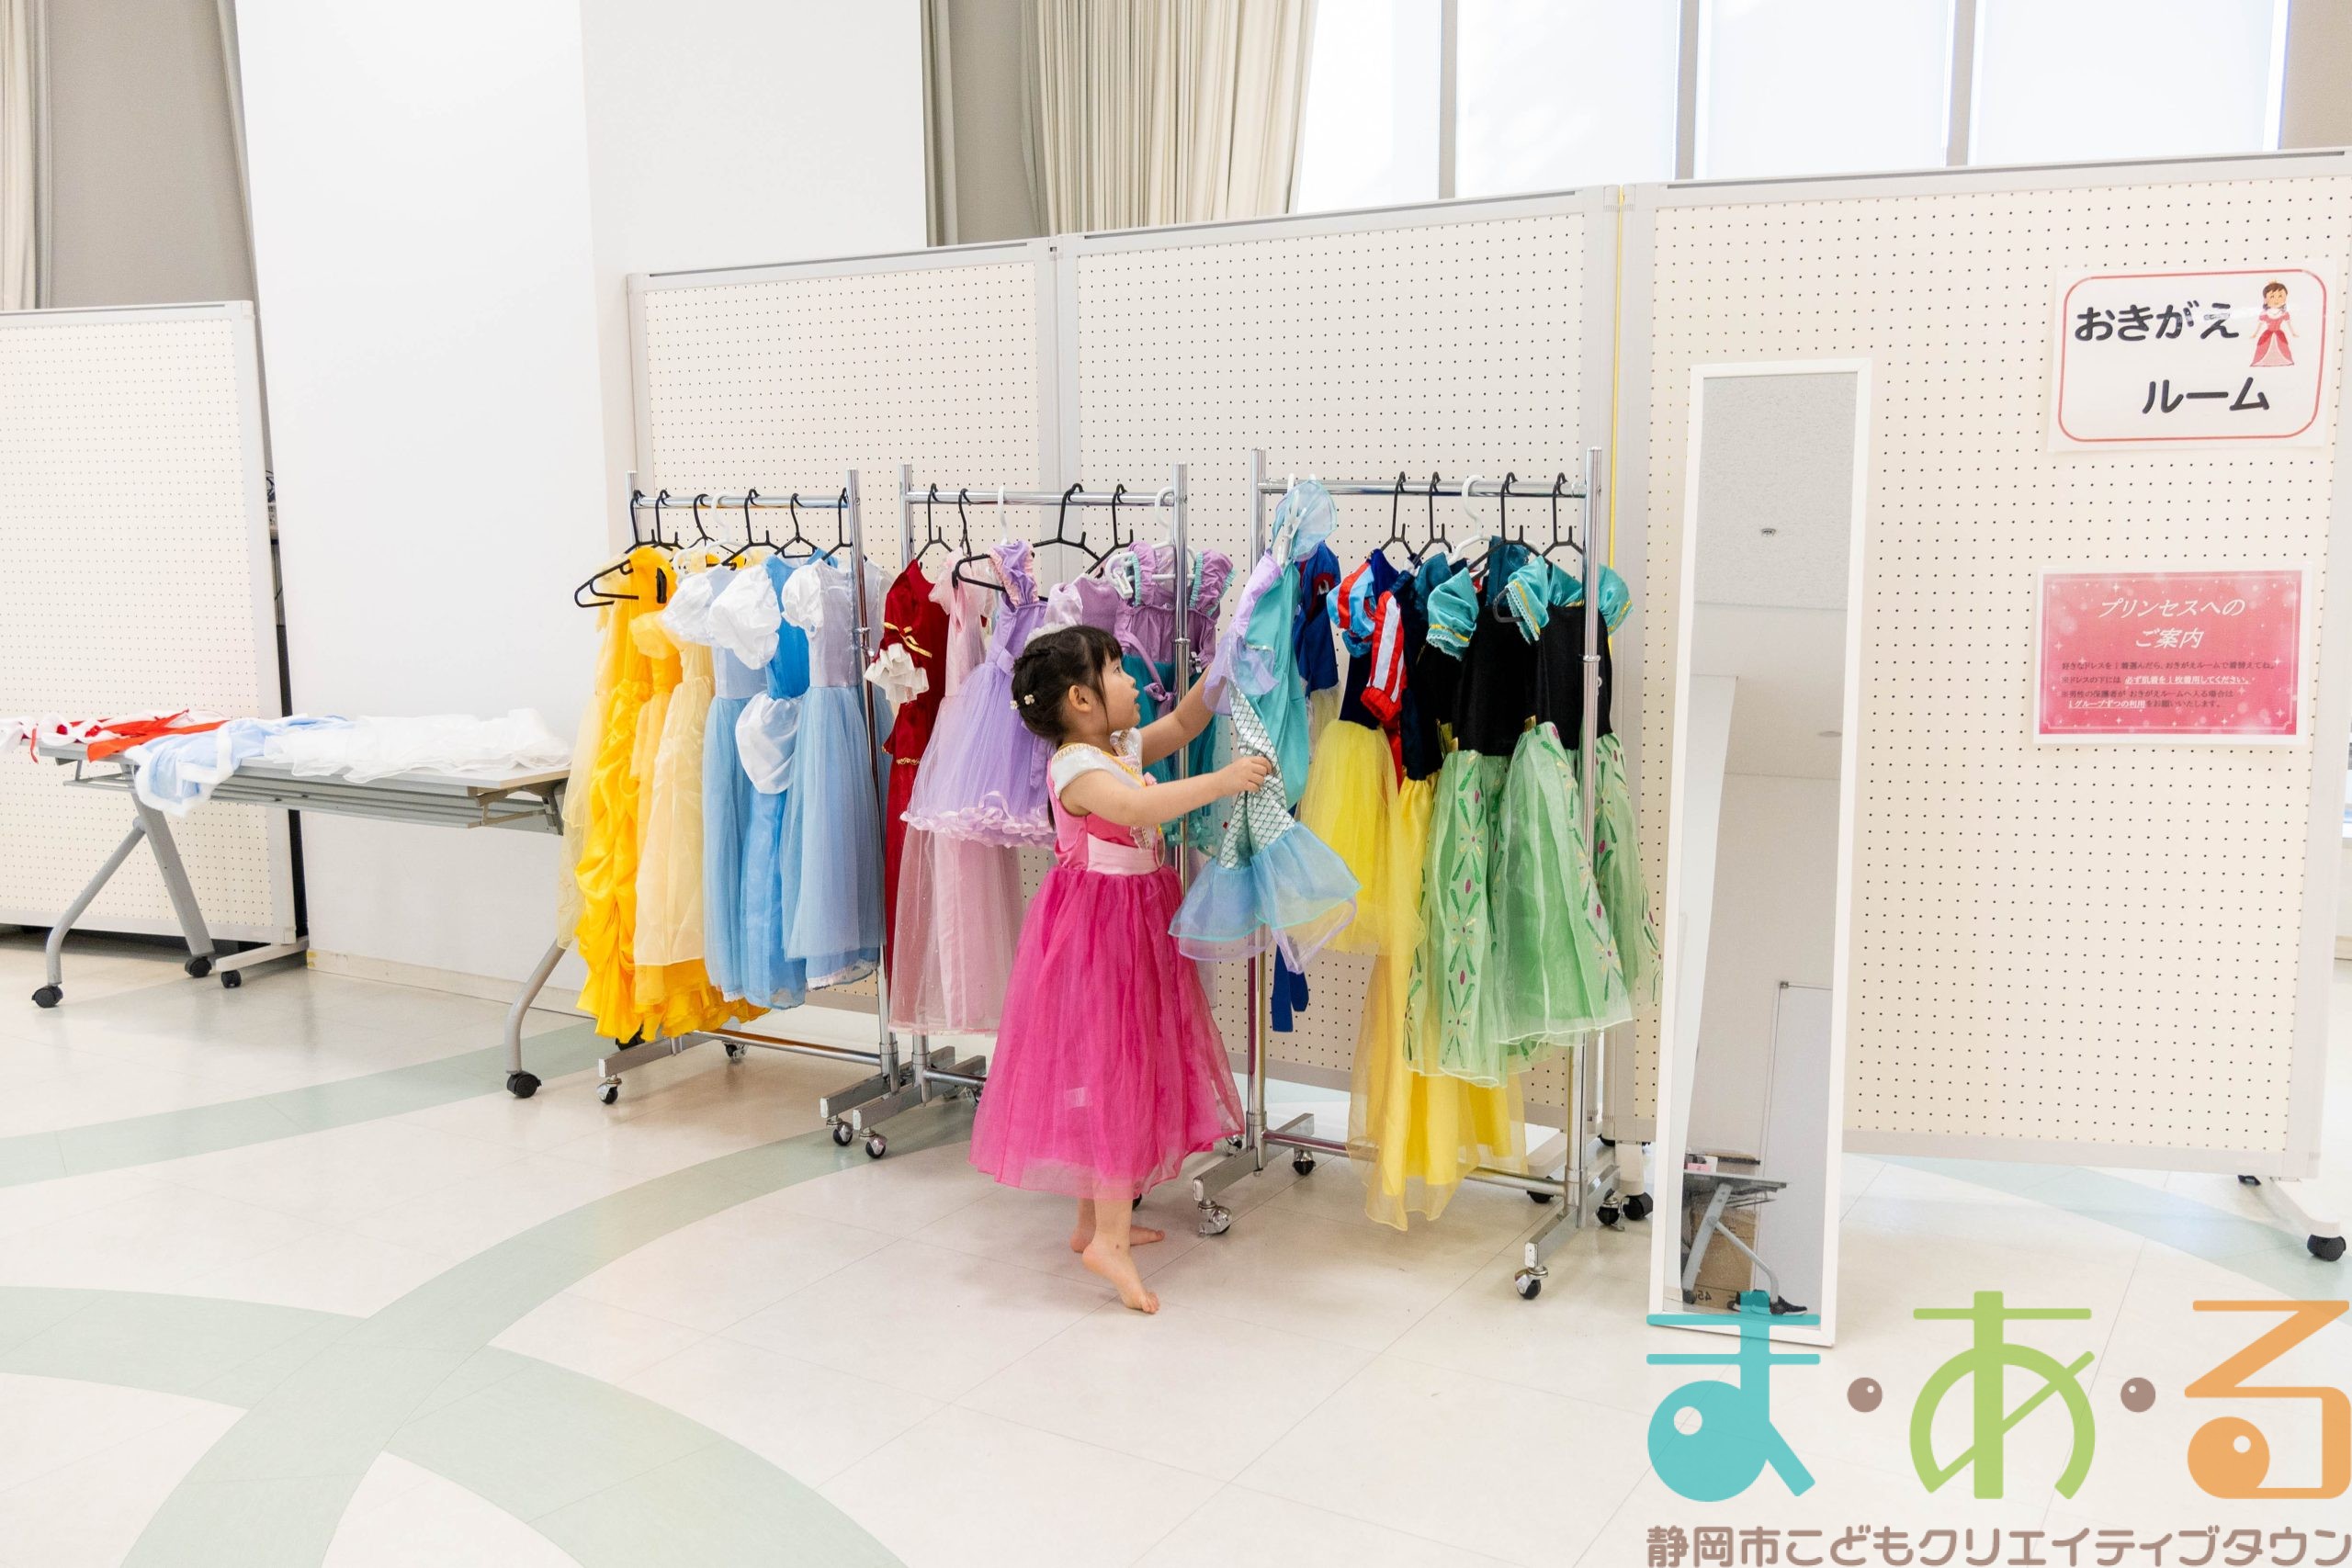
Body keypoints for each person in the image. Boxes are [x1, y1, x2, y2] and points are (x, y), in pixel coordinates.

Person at [967, 624, 1272, 1313]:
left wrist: (1221, 666)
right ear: (1081, 699)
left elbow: (1186, 721)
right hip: (1099, 931)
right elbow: (1137, 806)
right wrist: (1222, 781)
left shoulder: (1115, 746)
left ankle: (1092, 1224)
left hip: (1133, 919)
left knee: (1121, 1064)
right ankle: (1109, 1240)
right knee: (1112, 1073)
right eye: (1117, 671)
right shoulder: (1077, 768)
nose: (1133, 681)